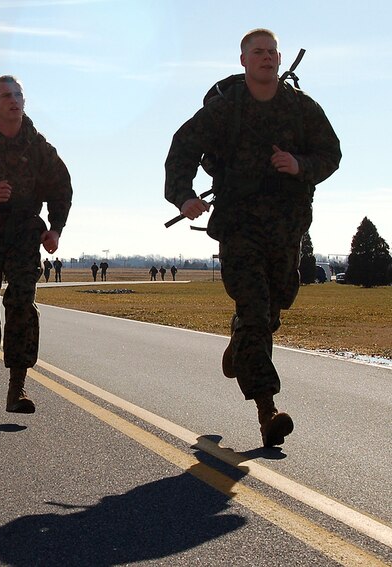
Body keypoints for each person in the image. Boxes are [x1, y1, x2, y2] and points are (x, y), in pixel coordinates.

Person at [164, 29, 341, 447]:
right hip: (240, 228)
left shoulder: (302, 107)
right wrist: (184, 197)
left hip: (287, 228)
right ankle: (268, 411)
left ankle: (240, 341)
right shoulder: (226, 109)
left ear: (279, 58)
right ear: (243, 60)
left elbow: (331, 153)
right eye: (257, 52)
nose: (266, 58)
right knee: (257, 312)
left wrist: (299, 164)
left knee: (274, 308)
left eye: (271, 52)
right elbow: (182, 148)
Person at [0, 75, 73, 414]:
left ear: (24, 101)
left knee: (22, 303)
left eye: (18, 95)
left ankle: (17, 385)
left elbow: (61, 188)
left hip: (24, 233)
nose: (13, 100)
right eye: (6, 95)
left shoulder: (38, 146)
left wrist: (55, 229)